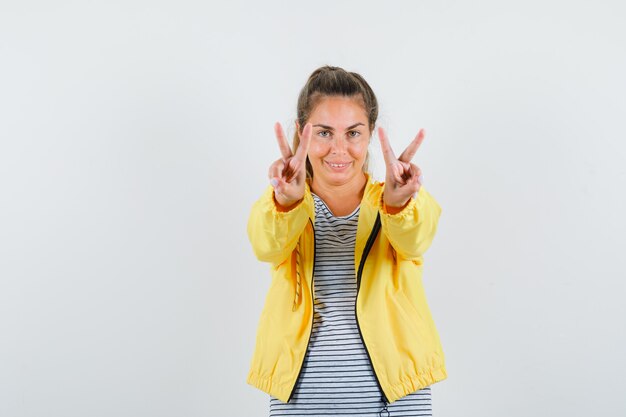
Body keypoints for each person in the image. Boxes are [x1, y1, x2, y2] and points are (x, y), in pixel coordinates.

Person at [246, 66, 447, 417]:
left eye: (353, 133)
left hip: (395, 402)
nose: (339, 149)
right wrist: (288, 202)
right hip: (300, 402)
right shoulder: (283, 204)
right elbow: (266, 245)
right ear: (301, 133)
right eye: (324, 132)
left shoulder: (397, 200)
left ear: (369, 135)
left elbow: (416, 239)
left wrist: (398, 205)